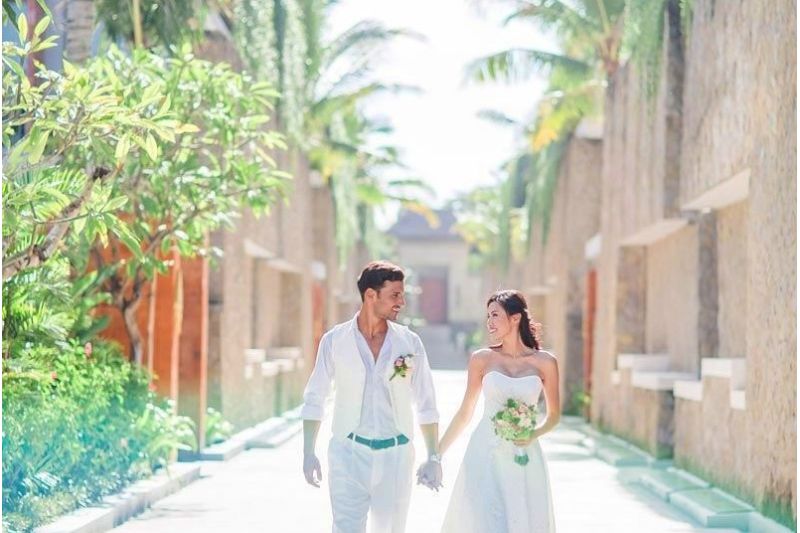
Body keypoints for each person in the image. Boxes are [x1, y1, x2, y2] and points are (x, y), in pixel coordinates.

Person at [301, 260, 442, 533]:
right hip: (348, 453)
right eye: (395, 295)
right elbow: (315, 398)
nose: (401, 302)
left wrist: (433, 456)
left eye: (402, 295)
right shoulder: (334, 341)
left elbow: (427, 403)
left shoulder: (409, 343)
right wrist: (309, 452)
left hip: (396, 456)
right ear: (370, 295)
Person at [438, 289, 560, 533]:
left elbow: (554, 416)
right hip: (485, 451)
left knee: (520, 520)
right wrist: (436, 454)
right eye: (488, 316)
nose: (489, 322)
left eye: (495, 315)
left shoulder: (546, 362)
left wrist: (533, 434)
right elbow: (465, 413)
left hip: (523, 455)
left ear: (515, 318)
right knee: (486, 522)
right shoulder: (481, 359)